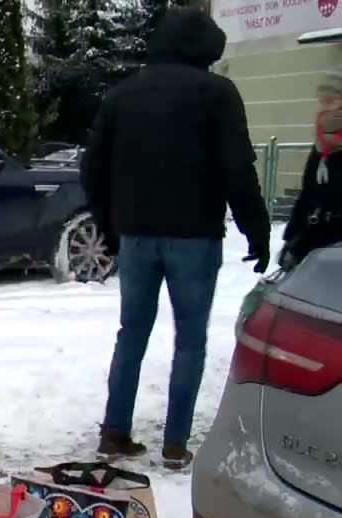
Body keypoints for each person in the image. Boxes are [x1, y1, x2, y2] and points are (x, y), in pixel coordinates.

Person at [81, 8, 271, 469]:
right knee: (190, 340)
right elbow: (236, 170)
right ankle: (174, 443)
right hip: (194, 238)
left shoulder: (122, 95)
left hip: (137, 236)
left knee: (132, 334)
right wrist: (257, 231)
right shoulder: (217, 93)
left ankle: (114, 431)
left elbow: (93, 169)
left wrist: (109, 226)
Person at [281, 71, 342, 270]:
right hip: (314, 241)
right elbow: (307, 195)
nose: (324, 108)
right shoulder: (321, 146)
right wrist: (290, 239)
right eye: (323, 101)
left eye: (331, 100)